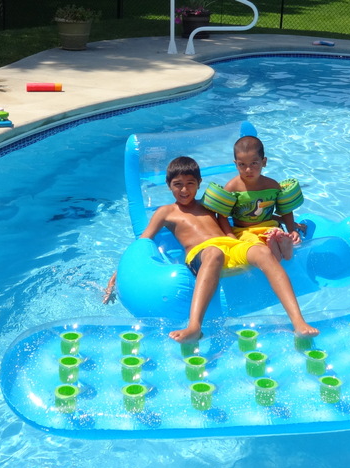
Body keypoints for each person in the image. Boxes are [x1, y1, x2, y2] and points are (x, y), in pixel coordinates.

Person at [131, 155, 318, 343]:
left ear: (199, 183)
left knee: (263, 252)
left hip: (231, 246)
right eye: (178, 184)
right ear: (168, 185)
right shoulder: (166, 211)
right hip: (202, 253)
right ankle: (195, 327)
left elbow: (247, 214)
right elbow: (143, 242)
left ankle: (298, 322)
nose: (185, 189)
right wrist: (121, 271)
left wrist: (290, 224)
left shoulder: (209, 204)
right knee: (214, 252)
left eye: (190, 183)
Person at [202, 135, 306, 262]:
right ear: (235, 164)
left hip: (269, 226)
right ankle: (276, 250)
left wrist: (292, 230)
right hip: (244, 231)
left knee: (276, 233)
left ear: (264, 162)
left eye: (254, 163)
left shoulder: (272, 185)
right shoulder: (232, 187)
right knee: (255, 244)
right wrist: (231, 237)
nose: (248, 169)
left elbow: (286, 210)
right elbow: (222, 217)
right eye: (242, 164)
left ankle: (283, 245)